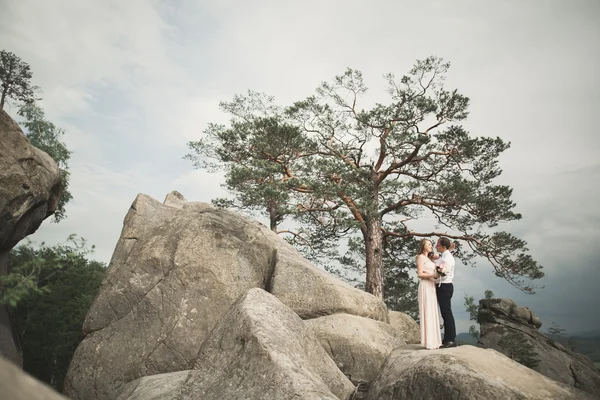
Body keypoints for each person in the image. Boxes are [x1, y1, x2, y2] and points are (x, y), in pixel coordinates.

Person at [416, 239, 442, 350]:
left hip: (432, 286)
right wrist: (433, 274)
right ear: (423, 246)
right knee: (427, 310)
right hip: (426, 285)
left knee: (432, 310)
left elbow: (439, 256)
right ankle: (428, 342)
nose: (431, 246)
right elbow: (420, 273)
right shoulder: (420, 257)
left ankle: (435, 341)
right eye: (429, 244)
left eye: (432, 244)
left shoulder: (429, 259)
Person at [434, 237, 457, 348]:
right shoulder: (445, 255)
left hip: (444, 286)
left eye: (437, 245)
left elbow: (443, 274)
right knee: (445, 312)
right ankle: (447, 338)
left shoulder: (446, 259)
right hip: (443, 286)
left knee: (446, 313)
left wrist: (432, 277)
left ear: (443, 247)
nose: (435, 246)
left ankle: (450, 339)